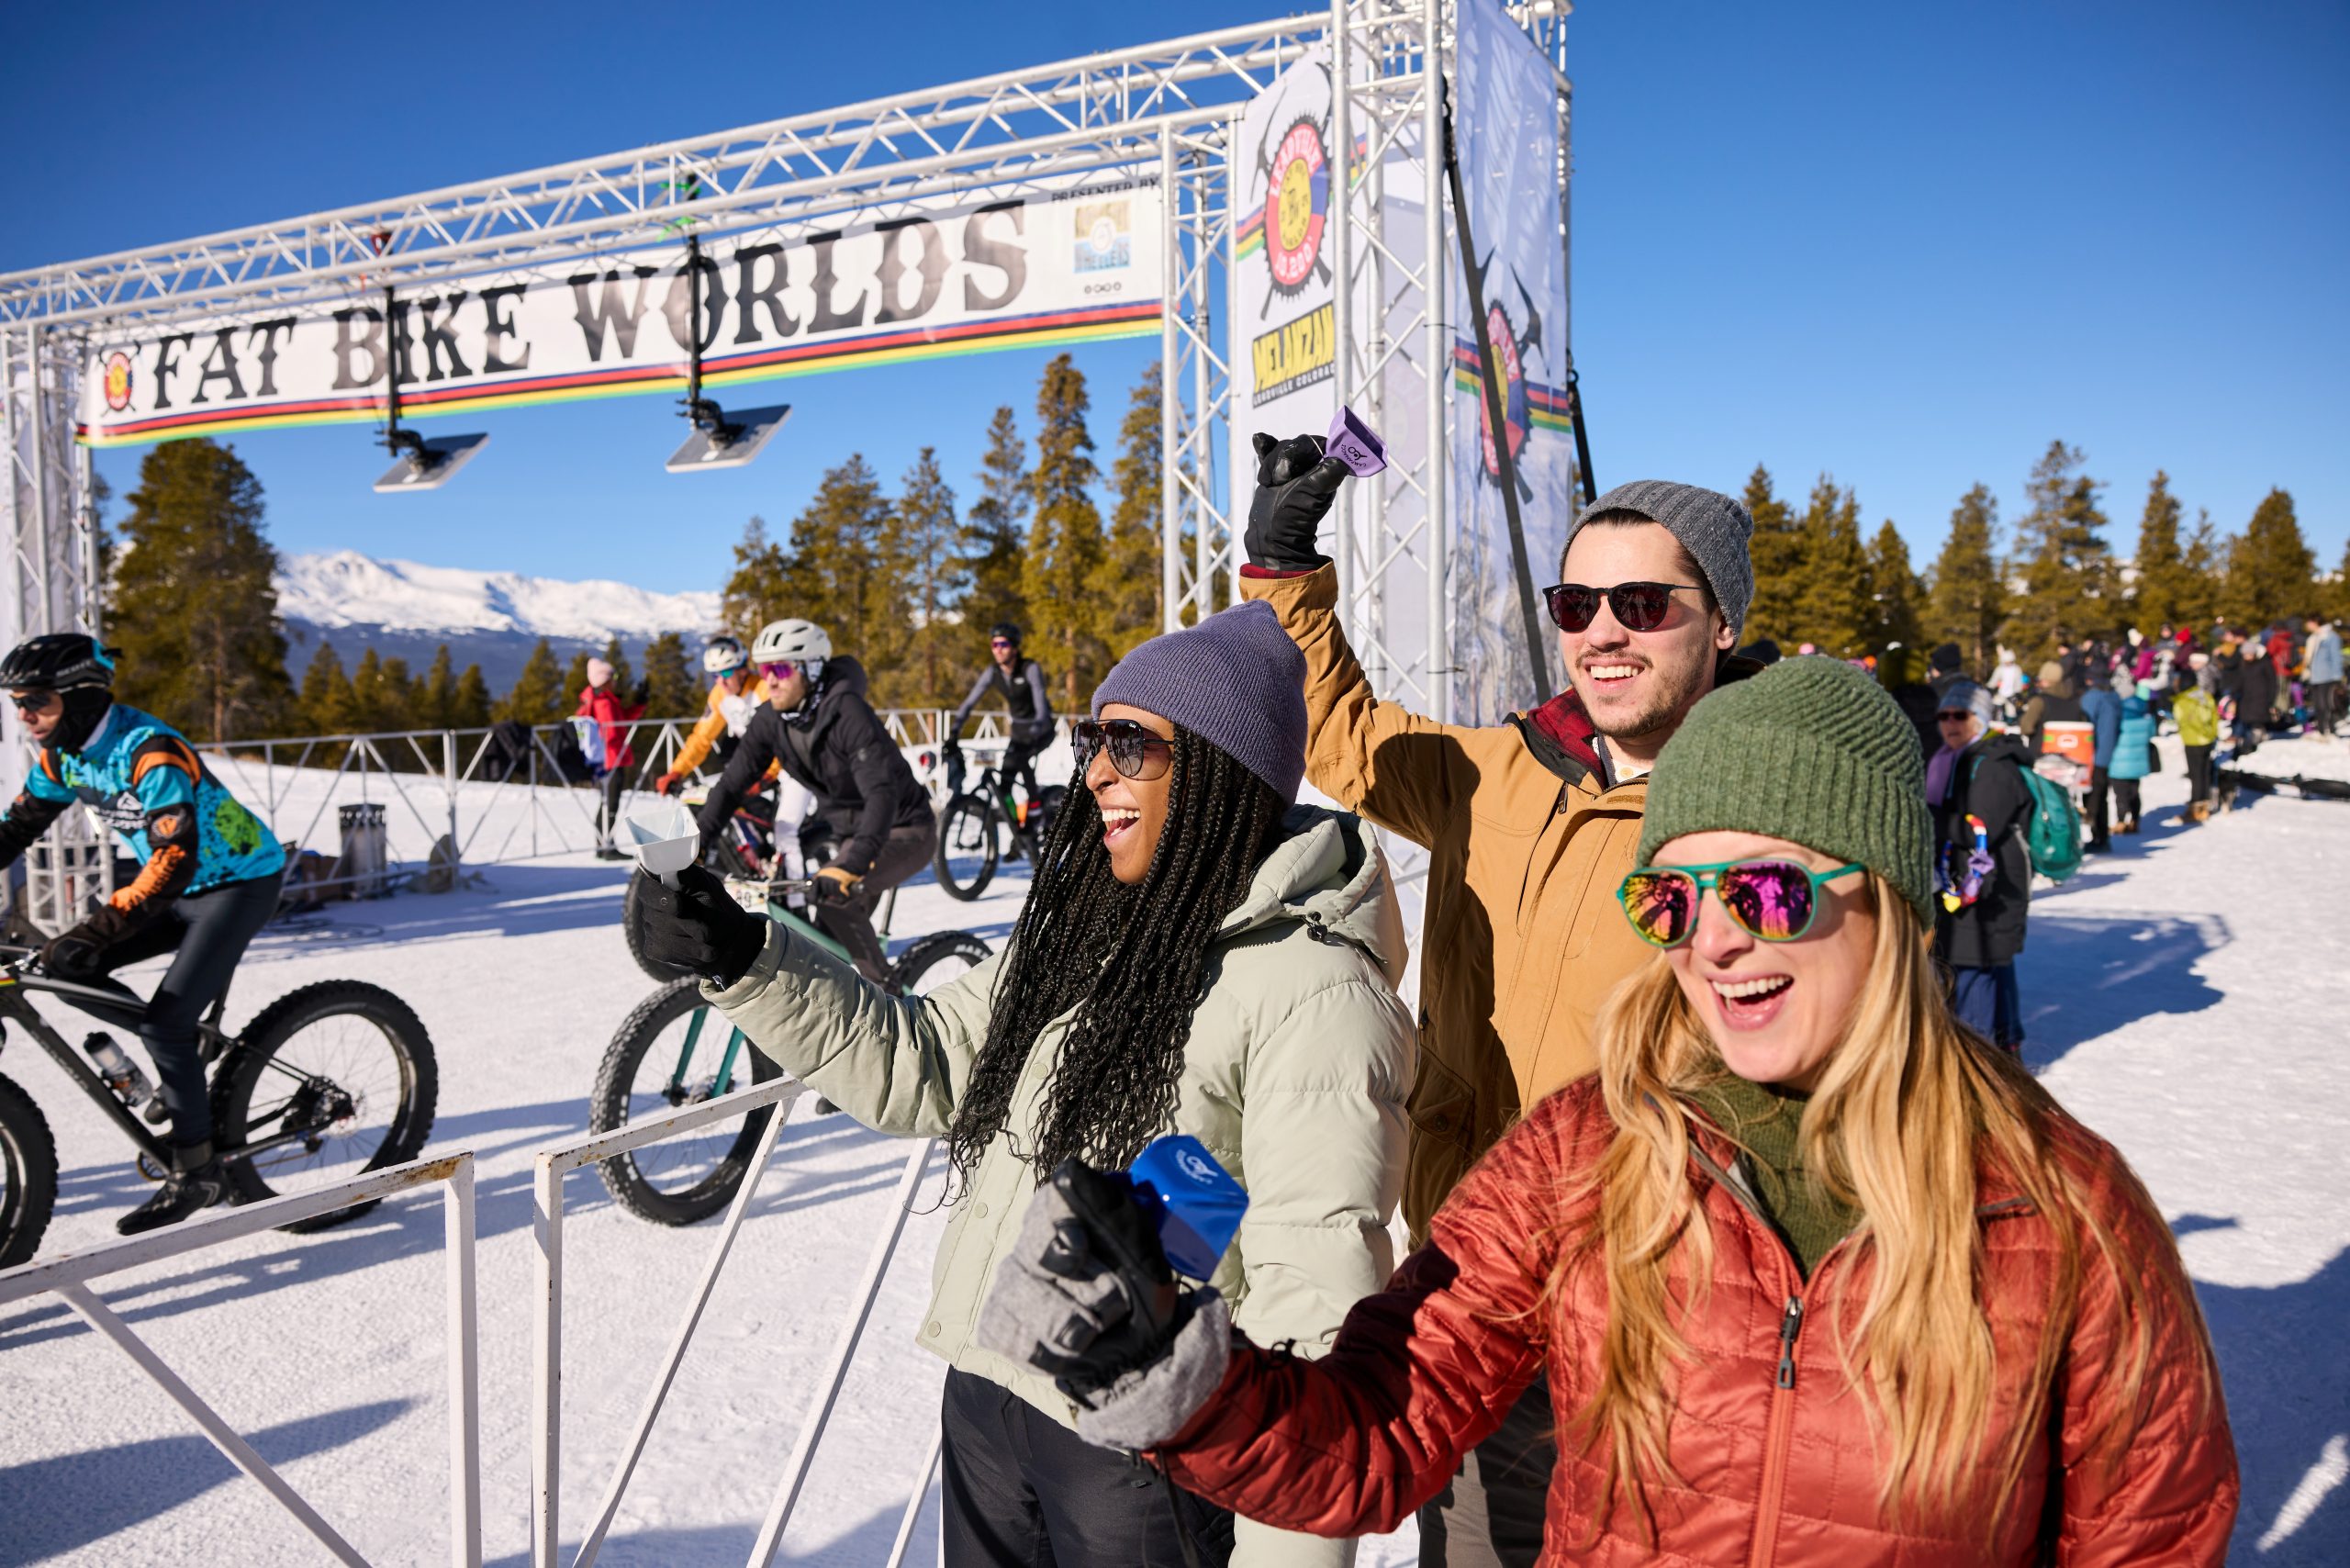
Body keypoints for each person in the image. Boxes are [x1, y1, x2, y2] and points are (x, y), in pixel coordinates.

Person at [979, 655, 2240, 1567]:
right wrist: (1180, 1380)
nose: (1719, 942)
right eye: (1674, 904)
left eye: (1768, 891)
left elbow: (2151, 1542)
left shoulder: (2059, 1208)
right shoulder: (1589, 1149)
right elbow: (1384, 1425)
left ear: (1893, 900)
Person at [630, 603, 1416, 1568]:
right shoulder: (1085, 929)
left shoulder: (1316, 991)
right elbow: (916, 1062)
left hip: (1146, 1462)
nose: (1092, 770)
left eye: (1129, 743)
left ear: (1221, 772)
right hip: (990, 1400)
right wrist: (747, 953)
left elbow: (1311, 1317)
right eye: (1092, 738)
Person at [1237, 433, 1755, 1565]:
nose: (1602, 631)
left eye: (1643, 603)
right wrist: (1286, 570)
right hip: (1465, 1288)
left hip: (1648, 1333)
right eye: (1577, 602)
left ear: (1722, 624)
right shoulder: (1505, 770)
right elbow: (1344, 738)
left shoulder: (1761, 821)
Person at [0, 634, 289, 1235]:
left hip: (234, 883)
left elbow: (173, 860)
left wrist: (97, 926)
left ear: (79, 698)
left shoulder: (150, 751)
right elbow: (17, 826)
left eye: (35, 700)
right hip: (175, 888)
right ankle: (180, 1058)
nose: (23, 715)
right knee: (61, 967)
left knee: (164, 1024)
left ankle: (198, 1172)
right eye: (15, 702)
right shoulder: (65, 754)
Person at [691, 619, 933, 983]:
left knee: (836, 901)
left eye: (781, 669)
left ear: (811, 669)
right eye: (764, 669)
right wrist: (696, 844)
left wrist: (853, 861)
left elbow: (882, 794)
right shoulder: (771, 718)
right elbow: (730, 786)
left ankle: (894, 1000)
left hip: (905, 830)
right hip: (854, 833)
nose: (769, 680)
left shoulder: (847, 712)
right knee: (821, 951)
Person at [1927, 680, 2033, 1053]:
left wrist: (1929, 817)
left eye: (1961, 715)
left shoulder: (1992, 766)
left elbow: (1980, 829)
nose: (1950, 723)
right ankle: (2007, 1050)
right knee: (1992, 966)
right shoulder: (1952, 759)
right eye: (1944, 715)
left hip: (1989, 888)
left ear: (1981, 718)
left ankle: (1981, 1059)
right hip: (1975, 885)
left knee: (1972, 967)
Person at [946, 622, 1056, 845]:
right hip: (1018, 733)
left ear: (1014, 647)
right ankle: (1019, 829)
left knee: (1022, 758)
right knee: (1004, 785)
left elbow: (1041, 706)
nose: (998, 649)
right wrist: (954, 732)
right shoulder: (993, 672)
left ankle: (1035, 809)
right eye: (994, 644)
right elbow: (969, 703)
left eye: (1003, 644)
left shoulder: (1029, 668)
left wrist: (1035, 730)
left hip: (1041, 729)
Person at [655, 635, 775, 795]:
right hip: (749, 761)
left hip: (780, 765)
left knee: (787, 818)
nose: (720, 682)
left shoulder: (764, 690)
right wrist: (677, 771)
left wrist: (770, 775)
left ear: (743, 670)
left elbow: (784, 739)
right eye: (714, 675)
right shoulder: (719, 695)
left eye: (725, 673)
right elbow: (702, 737)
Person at [576, 656, 647, 859]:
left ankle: (604, 844)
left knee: (608, 801)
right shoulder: (604, 703)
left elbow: (622, 719)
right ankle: (606, 846)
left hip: (608, 759)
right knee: (611, 802)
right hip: (611, 760)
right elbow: (613, 731)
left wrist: (639, 704)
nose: (616, 680)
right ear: (604, 680)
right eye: (613, 677)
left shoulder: (603, 700)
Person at [2078, 666, 2121, 853]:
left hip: (2094, 755)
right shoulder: (2114, 697)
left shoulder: (2092, 698)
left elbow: (2085, 725)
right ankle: (2101, 836)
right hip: (2108, 754)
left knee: (2094, 798)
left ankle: (2098, 837)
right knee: (2101, 797)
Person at [2175, 660, 2221, 823]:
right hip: (2208, 740)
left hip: (2192, 741)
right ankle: (2205, 805)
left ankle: (2195, 807)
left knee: (2195, 775)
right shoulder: (2205, 696)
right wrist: (2212, 734)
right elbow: (2215, 717)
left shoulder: (2183, 700)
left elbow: (2181, 720)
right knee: (2205, 772)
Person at [2109, 672, 2154, 835]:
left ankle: (2121, 821)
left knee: (2120, 793)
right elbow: (2151, 733)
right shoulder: (2144, 709)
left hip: (2119, 760)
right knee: (2135, 791)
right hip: (2139, 759)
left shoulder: (2117, 711)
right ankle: (2135, 820)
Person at [2017, 657, 2080, 756]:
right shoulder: (2074, 703)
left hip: (2041, 757)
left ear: (2045, 680)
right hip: (2070, 758)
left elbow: (2026, 728)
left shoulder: (2039, 701)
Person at [2304, 612, 2344, 740]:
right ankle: (2321, 729)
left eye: (2309, 622)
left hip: (2327, 677)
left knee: (2327, 703)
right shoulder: (2313, 638)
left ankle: (2330, 729)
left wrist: (2337, 677)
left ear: (2315, 622)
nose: (2307, 625)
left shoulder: (2331, 637)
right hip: (2314, 676)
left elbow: (2336, 657)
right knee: (2317, 705)